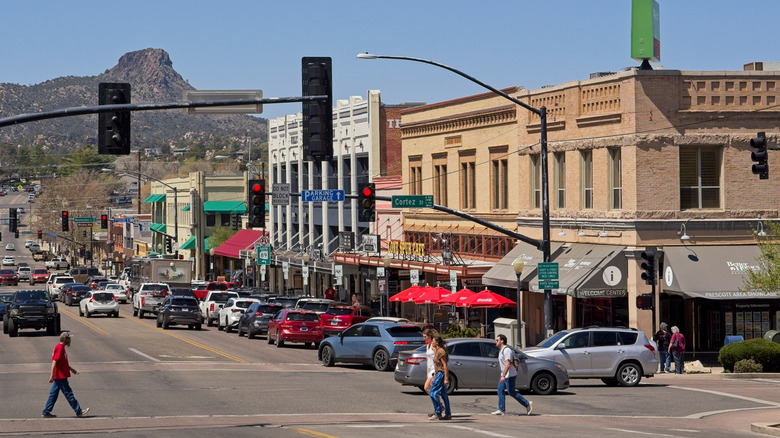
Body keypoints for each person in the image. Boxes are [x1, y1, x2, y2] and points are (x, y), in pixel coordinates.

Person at [41, 332, 89, 418]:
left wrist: (72, 370)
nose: (70, 340)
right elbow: (54, 361)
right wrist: (52, 375)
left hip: (60, 375)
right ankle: (78, 411)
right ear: (64, 339)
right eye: (68, 338)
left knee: (53, 394)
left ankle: (46, 411)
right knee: (68, 393)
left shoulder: (61, 348)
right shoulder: (59, 348)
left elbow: (63, 362)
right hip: (60, 376)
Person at [492, 334, 532, 416]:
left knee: (512, 392)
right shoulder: (502, 350)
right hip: (504, 374)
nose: (496, 342)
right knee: (500, 391)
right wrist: (503, 375)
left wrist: (503, 376)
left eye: (497, 340)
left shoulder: (507, 350)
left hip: (509, 375)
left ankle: (527, 403)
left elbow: (508, 364)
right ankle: (501, 409)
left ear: (502, 341)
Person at [428, 335, 451, 420]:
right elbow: (437, 365)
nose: (432, 342)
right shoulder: (437, 350)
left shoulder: (441, 351)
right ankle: (448, 413)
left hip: (441, 374)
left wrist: (445, 378)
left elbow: (444, 365)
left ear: (437, 342)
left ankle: (438, 411)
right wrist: (434, 376)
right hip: (438, 373)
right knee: (444, 395)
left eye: (433, 341)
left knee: (432, 392)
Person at [422, 329, 437, 395]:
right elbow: (428, 360)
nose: (424, 338)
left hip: (435, 369)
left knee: (427, 387)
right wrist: (427, 373)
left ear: (429, 336)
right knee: (428, 388)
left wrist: (435, 373)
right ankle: (438, 403)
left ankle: (438, 404)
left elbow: (437, 359)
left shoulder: (434, 346)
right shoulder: (427, 346)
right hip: (430, 370)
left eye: (425, 337)